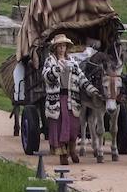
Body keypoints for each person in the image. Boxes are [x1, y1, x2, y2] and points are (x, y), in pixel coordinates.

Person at [42, 34, 101, 165]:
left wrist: (92, 90)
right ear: (55, 48)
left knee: (73, 126)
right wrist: (58, 69)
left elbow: (81, 78)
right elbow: (46, 76)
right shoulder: (50, 61)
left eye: (64, 46)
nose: (62, 49)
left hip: (71, 98)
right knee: (60, 126)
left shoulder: (73, 62)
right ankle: (63, 154)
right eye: (59, 46)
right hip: (57, 99)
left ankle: (72, 150)